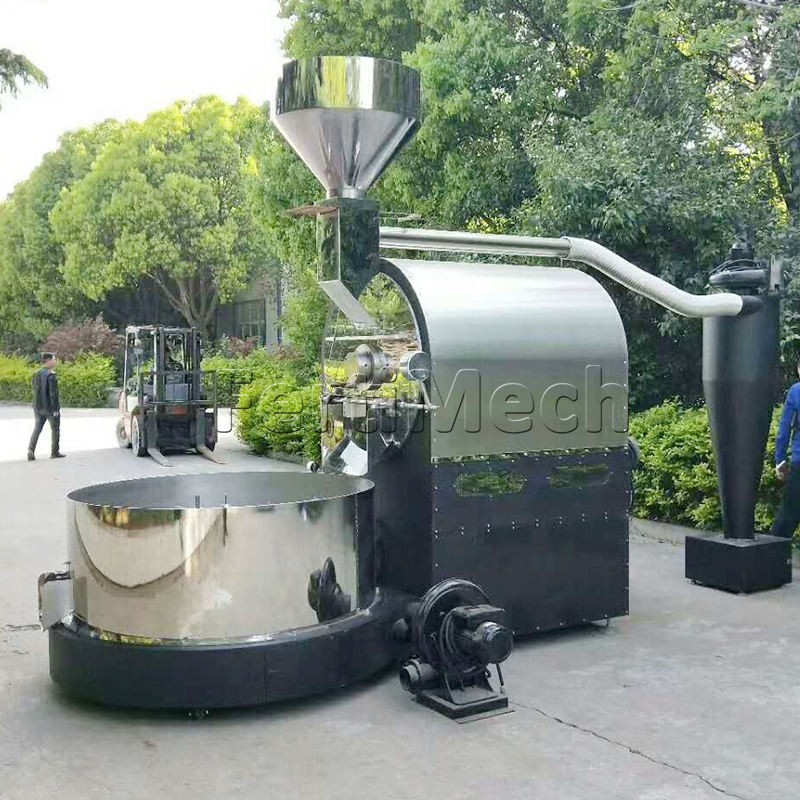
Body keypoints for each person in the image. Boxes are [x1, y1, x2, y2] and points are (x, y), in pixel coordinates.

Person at [772, 356, 800, 537]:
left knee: (789, 513)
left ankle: (773, 552)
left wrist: (780, 460)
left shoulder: (796, 391)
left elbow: (784, 429)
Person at [27, 353, 66, 461]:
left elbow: (35, 389)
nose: (55, 362)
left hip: (38, 407)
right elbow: (53, 394)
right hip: (49, 408)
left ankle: (30, 449)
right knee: (55, 429)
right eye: (54, 359)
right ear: (48, 361)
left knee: (37, 429)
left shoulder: (36, 374)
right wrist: (55, 409)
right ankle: (54, 452)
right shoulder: (51, 375)